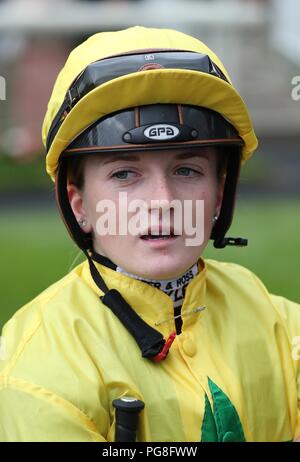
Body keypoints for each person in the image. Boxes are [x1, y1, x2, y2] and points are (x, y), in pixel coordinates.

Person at [0, 26, 299, 443]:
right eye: (125, 173)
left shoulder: (279, 322)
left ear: (218, 195)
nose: (162, 201)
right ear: (79, 204)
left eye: (186, 170)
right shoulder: (37, 363)